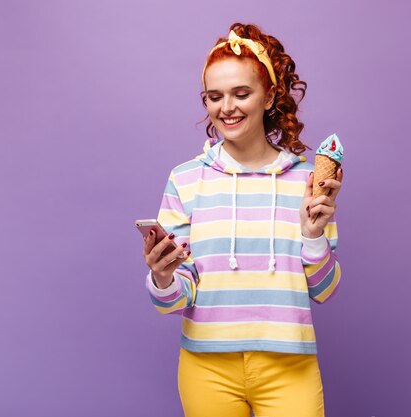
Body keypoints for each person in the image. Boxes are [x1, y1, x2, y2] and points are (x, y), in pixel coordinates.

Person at [142, 22, 343, 417]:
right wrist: (163, 277)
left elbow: (325, 290)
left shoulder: (307, 182)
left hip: (289, 365)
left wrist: (313, 235)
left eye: (241, 93)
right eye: (214, 97)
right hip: (206, 366)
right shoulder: (185, 179)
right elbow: (175, 299)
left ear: (269, 96)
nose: (226, 108)